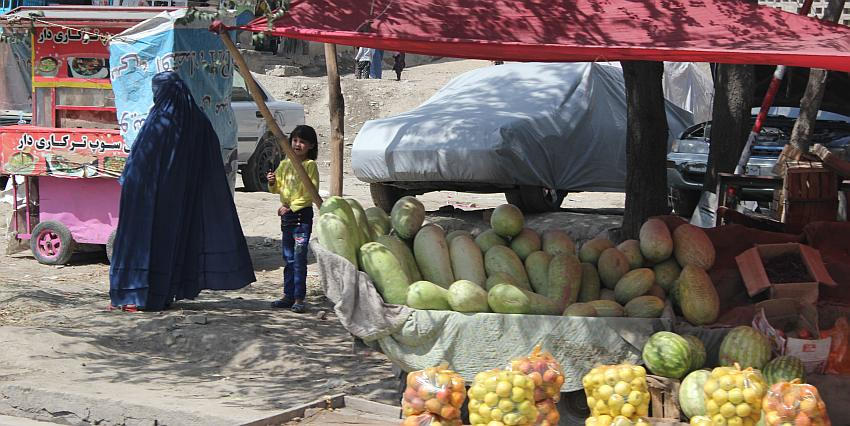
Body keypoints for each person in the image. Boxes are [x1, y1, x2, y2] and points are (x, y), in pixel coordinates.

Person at [109, 71, 255, 311]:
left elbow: (140, 162)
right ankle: (161, 295)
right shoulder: (198, 120)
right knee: (171, 245)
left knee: (142, 243)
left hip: (147, 201)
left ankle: (135, 296)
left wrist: (130, 182)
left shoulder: (160, 121)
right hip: (182, 201)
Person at [266, 125, 320, 313]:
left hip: (301, 217)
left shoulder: (310, 166)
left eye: (302, 142)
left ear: (311, 146)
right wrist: (272, 181)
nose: (298, 144)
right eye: (295, 140)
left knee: (298, 257)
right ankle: (288, 296)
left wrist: (290, 206)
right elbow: (277, 188)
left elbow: (310, 194)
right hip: (287, 217)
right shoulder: (285, 164)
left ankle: (299, 298)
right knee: (288, 257)